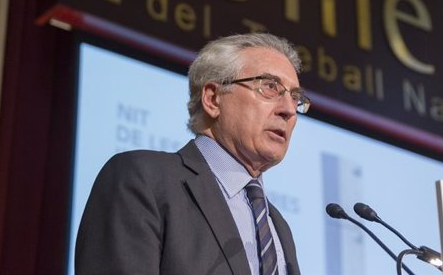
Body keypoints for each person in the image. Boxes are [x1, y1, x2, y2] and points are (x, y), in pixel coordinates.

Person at [75, 33, 309, 275]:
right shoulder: (143, 178)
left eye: (295, 97)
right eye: (270, 87)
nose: (289, 110)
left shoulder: (277, 226)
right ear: (213, 98)